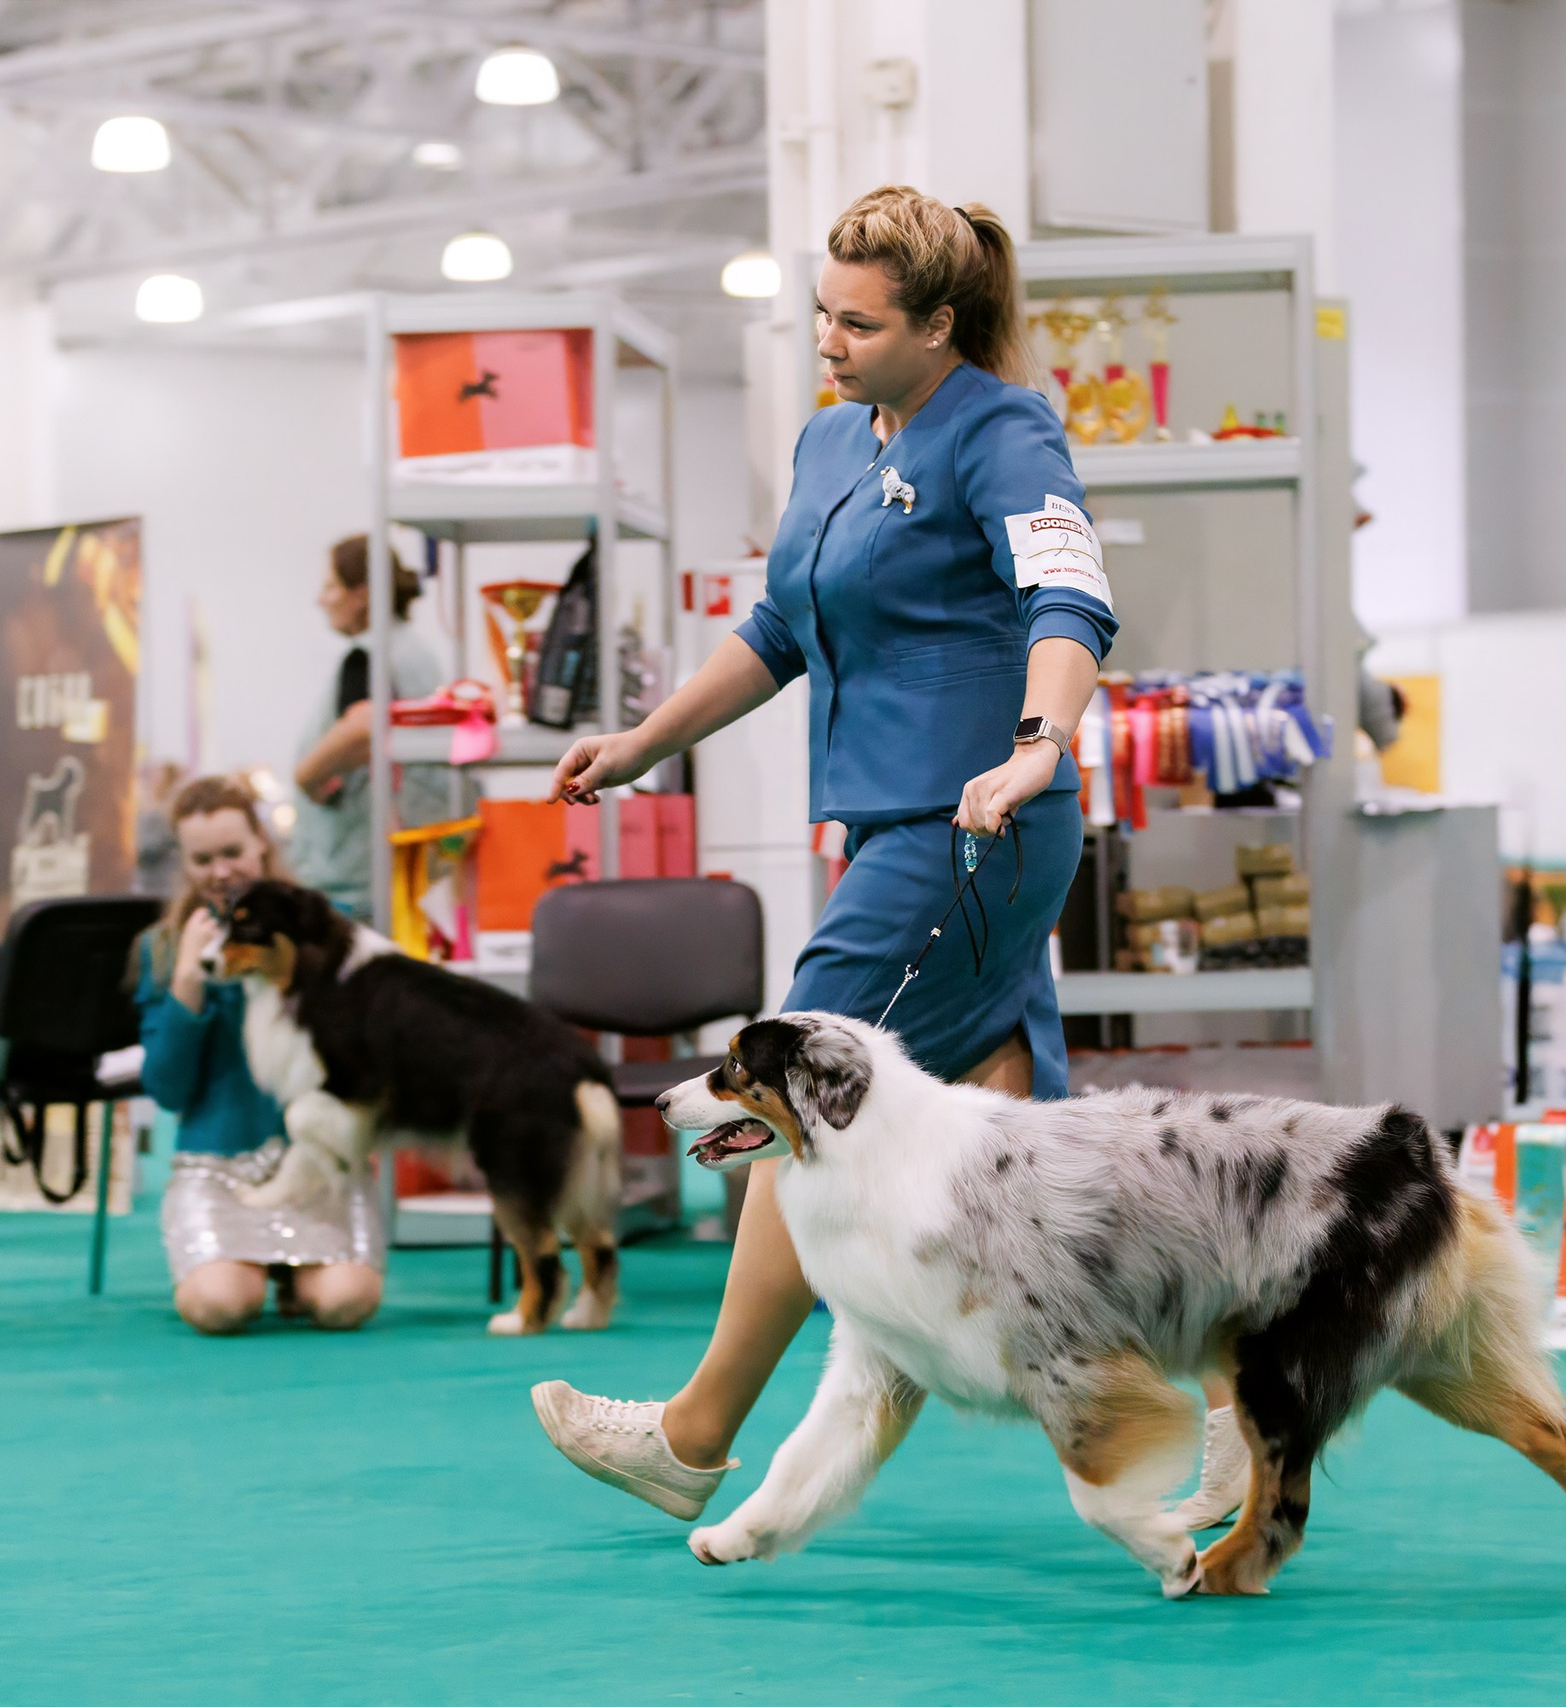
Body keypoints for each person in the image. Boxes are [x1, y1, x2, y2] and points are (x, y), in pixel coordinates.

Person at [528, 185, 1246, 1531]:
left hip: (969, 827)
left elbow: (1068, 593)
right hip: (899, 828)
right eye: (820, 315)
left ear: (941, 324)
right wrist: (641, 738)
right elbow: (779, 628)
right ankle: (1228, 1396)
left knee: (792, 1099)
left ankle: (692, 1433)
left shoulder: (1006, 429)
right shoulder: (825, 444)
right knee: (1031, 1176)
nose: (829, 341)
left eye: (859, 323)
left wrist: (1039, 740)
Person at [136, 774, 383, 1334]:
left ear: (262, 844)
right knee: (219, 1308)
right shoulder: (163, 947)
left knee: (347, 1304)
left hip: (315, 1160)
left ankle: (300, 1278)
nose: (221, 871)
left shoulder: (330, 926)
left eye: (233, 852)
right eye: (203, 859)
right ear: (183, 862)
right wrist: (187, 980)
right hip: (217, 1166)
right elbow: (168, 1090)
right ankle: (248, 1271)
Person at [289, 534, 446, 918]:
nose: (320, 599)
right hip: (411, 869)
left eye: (330, 586)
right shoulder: (414, 652)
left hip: (359, 880)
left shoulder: (368, 656)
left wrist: (306, 777)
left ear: (361, 594)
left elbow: (362, 727)